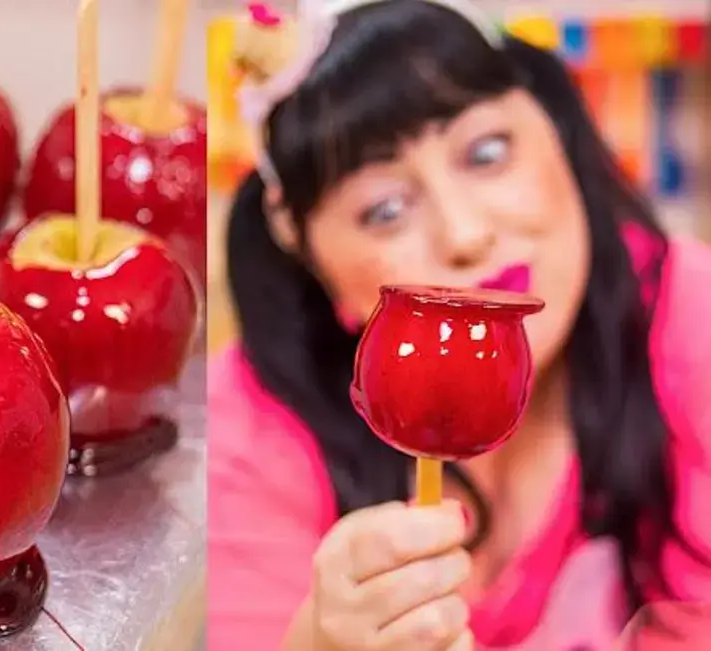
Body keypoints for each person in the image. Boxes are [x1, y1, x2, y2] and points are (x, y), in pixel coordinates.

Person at [207, 1, 711, 649]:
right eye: (385, 209)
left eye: (487, 152)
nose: (466, 234)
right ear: (310, 258)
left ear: (557, 127)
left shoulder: (691, 315)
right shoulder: (245, 431)